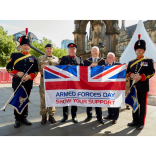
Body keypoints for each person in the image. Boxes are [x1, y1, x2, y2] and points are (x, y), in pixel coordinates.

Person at [6, 28, 38, 128]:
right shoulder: (14, 55)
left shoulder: (33, 57)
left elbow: (36, 71)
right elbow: (8, 68)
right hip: (17, 82)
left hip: (28, 82)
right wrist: (17, 73)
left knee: (25, 100)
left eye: (28, 45)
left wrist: (30, 76)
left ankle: (24, 117)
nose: (26, 46)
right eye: (24, 45)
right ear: (21, 46)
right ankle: (17, 119)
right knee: (17, 99)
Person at [126, 34, 155, 130]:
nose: (139, 51)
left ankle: (141, 122)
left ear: (144, 50)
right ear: (135, 51)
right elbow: (127, 72)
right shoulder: (131, 62)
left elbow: (151, 71)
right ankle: (135, 120)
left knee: (142, 105)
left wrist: (141, 77)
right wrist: (130, 74)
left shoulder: (148, 60)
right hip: (133, 87)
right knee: (134, 103)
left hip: (143, 86)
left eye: (140, 50)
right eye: (137, 50)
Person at [59, 43, 83, 123]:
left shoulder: (79, 59)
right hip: (66, 83)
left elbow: (83, 71)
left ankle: (74, 116)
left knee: (75, 100)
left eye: (73, 49)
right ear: (68, 50)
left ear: (75, 50)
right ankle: (65, 116)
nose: (72, 50)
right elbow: (59, 70)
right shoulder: (64, 58)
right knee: (65, 100)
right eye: (70, 49)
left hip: (76, 84)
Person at [83, 46, 105, 124]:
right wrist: (89, 67)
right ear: (91, 52)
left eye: (96, 51)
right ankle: (89, 116)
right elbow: (83, 72)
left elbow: (106, 71)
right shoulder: (86, 61)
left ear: (98, 52)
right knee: (89, 100)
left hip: (98, 84)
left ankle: (99, 117)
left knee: (98, 101)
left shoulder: (102, 61)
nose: (95, 52)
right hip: (89, 84)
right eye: (93, 51)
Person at [38, 44, 58, 124]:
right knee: (43, 98)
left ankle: (51, 116)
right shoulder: (40, 58)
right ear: (45, 49)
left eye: (50, 48)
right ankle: (44, 116)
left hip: (53, 81)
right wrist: (41, 68)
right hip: (44, 80)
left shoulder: (56, 59)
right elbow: (37, 69)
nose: (49, 50)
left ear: (52, 50)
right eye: (48, 48)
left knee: (52, 97)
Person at [103, 52, 121, 124]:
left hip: (116, 88)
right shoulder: (105, 66)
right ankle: (110, 115)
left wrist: (125, 65)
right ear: (107, 59)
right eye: (108, 57)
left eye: (111, 57)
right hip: (108, 87)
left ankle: (115, 118)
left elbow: (124, 67)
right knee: (109, 102)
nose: (109, 59)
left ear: (114, 58)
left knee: (116, 103)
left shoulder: (118, 65)